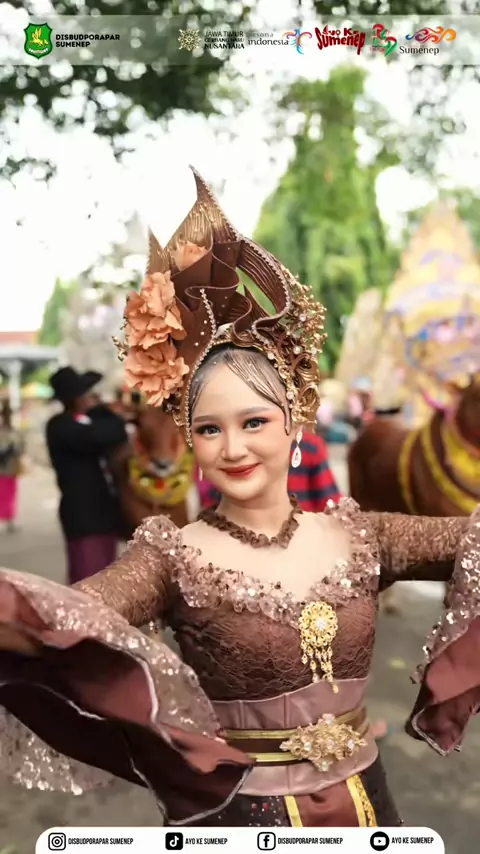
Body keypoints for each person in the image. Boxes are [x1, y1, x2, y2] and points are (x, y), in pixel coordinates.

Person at [0, 168, 478, 829]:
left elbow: (470, 538)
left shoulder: (365, 536)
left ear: (294, 423)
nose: (233, 448)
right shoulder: (170, 556)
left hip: (369, 811)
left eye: (253, 422)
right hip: (234, 818)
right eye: (208, 429)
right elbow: (62, 617)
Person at [45, 366, 128, 583]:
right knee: (88, 583)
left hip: (103, 514)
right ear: (76, 398)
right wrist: (103, 411)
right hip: (84, 518)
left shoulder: (82, 422)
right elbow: (108, 433)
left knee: (108, 581)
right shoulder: (60, 426)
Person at [197, 430, 340, 513]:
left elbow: (330, 504)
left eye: (254, 423)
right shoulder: (209, 456)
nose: (233, 452)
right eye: (211, 430)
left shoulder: (309, 447)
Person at [0, 401, 24, 533]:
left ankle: (9, 519)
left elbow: (21, 447)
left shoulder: (14, 432)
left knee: (10, 494)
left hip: (11, 467)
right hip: (2, 467)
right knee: (3, 494)